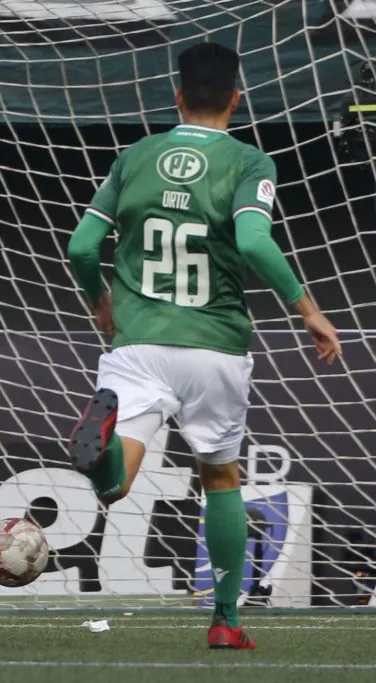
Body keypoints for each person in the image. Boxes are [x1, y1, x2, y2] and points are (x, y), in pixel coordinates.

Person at [66, 42, 342, 650]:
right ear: (237, 100)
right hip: (214, 344)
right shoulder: (249, 162)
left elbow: (82, 248)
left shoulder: (134, 156)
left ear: (178, 97)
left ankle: (102, 446)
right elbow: (253, 243)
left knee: (114, 487)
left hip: (138, 343)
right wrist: (308, 309)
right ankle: (224, 621)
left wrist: (100, 301)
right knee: (221, 477)